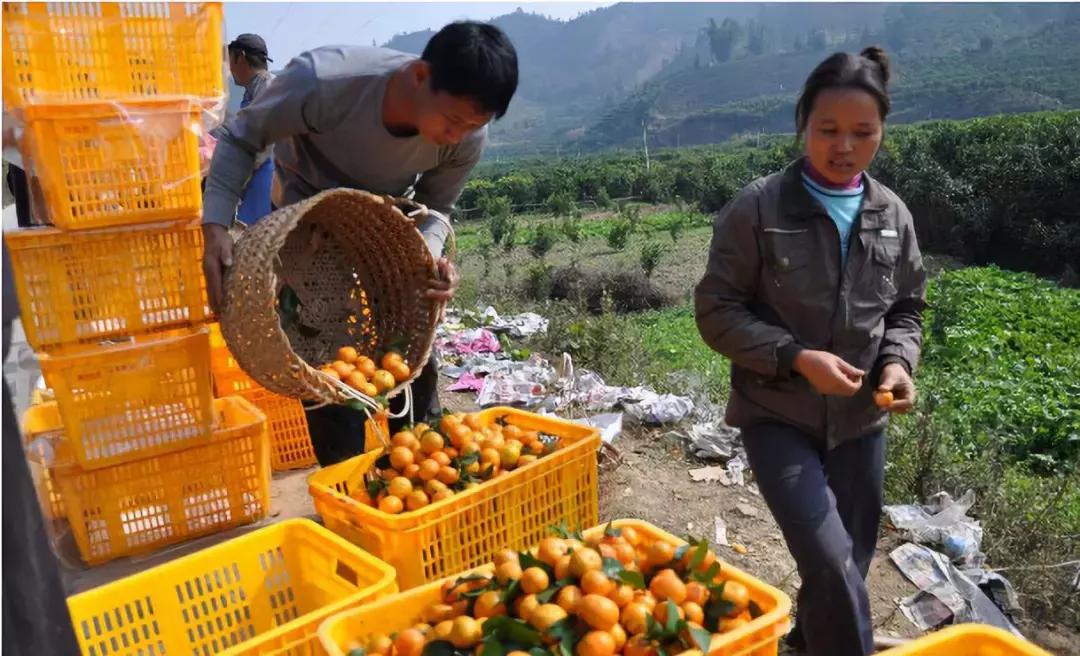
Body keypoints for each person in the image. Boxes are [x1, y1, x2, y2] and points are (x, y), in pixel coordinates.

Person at [694, 47, 926, 656]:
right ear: (802, 123)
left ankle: (806, 643)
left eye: (862, 133)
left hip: (860, 423)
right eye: (828, 130)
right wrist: (796, 357)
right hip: (776, 416)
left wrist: (898, 363)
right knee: (831, 562)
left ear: (882, 132)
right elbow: (716, 311)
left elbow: (906, 307)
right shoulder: (760, 209)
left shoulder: (891, 215)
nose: (844, 146)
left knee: (848, 560)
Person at [202, 21, 518, 465]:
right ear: (420, 78)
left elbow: (435, 207)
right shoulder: (325, 83)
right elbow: (243, 138)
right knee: (329, 359)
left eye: (471, 126)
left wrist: (425, 259)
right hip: (308, 218)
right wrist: (215, 224)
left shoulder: (466, 136)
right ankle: (348, 484)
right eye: (451, 120)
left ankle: (425, 471)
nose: (456, 136)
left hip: (387, 224)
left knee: (411, 352)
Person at [219, 33, 276, 225]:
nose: (229, 69)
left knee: (259, 235)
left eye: (230, 60)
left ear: (241, 57)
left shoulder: (266, 85)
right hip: (259, 171)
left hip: (268, 172)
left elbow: (266, 138)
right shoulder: (253, 89)